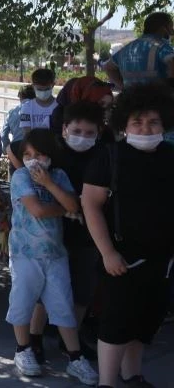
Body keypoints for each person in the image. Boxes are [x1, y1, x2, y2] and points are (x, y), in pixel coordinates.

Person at [81, 83, 174, 388]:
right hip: (121, 258)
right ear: (124, 124)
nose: (146, 129)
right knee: (116, 323)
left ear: (164, 123)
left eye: (153, 122)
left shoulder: (170, 155)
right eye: (138, 122)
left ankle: (132, 376)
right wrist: (108, 253)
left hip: (162, 259)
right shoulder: (109, 157)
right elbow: (91, 205)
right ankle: (107, 383)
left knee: (145, 322)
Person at [7, 129, 98, 385]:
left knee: (62, 304)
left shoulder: (58, 176)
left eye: (39, 154)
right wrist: (63, 211)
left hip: (55, 254)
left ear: (50, 155)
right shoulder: (21, 177)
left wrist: (49, 185)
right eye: (27, 155)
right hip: (25, 254)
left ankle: (75, 357)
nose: (33, 160)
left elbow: (73, 204)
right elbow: (37, 209)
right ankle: (23, 349)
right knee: (22, 301)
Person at [104, 11, 174, 90]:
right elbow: (172, 61)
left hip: (130, 96)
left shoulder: (127, 49)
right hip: (158, 96)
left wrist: (123, 87)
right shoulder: (161, 46)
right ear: (163, 29)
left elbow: (108, 67)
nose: (172, 31)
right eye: (171, 27)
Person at [49, 76, 113, 137]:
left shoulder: (105, 126)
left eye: (109, 106)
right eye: (101, 103)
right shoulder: (59, 116)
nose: (105, 110)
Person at [20, 68, 57, 136]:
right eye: (39, 89)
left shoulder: (59, 106)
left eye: (47, 89)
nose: (43, 92)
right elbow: (27, 134)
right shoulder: (26, 107)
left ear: (53, 85)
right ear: (33, 86)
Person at [0, 85, 35, 152]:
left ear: (20, 96)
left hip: (16, 148)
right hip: (35, 149)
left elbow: (4, 134)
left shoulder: (12, 112)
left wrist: (7, 149)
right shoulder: (39, 110)